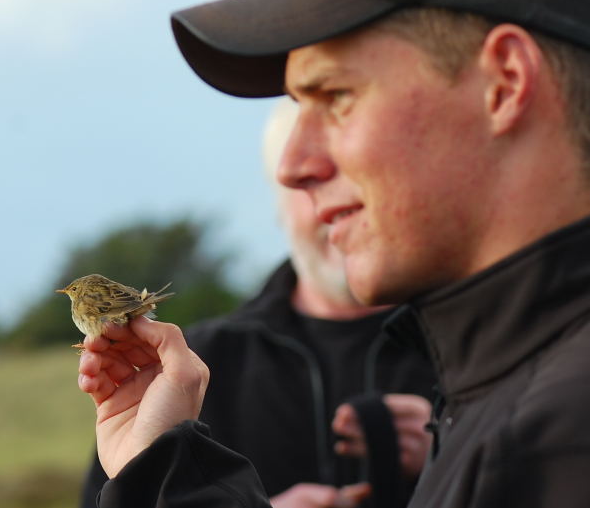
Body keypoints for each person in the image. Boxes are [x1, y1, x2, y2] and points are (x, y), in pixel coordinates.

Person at [77, 0, 590, 507]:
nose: (294, 166)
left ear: (504, 84)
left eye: (336, 96)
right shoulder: (533, 392)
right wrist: (164, 468)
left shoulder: (588, 433)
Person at [78, 97, 437, 508]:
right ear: (279, 200)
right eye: (310, 180)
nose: (339, 200)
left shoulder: (469, 347)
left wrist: (448, 449)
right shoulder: (184, 363)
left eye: (354, 168)